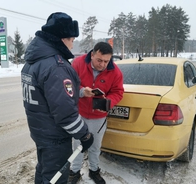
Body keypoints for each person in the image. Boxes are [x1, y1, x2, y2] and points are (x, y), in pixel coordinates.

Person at [21, 12, 94, 184]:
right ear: (62, 39)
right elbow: (64, 111)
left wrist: (81, 92)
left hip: (40, 132)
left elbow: (48, 95)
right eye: (71, 39)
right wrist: (84, 135)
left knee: (45, 171)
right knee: (56, 178)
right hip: (55, 137)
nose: (72, 43)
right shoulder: (55, 66)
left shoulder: (33, 61)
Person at [68, 42, 124, 184]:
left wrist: (108, 103)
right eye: (99, 60)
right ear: (92, 55)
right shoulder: (78, 63)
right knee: (77, 145)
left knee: (95, 146)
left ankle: (94, 170)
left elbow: (118, 92)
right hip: (79, 114)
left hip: (99, 117)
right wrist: (81, 91)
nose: (103, 64)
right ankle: (74, 172)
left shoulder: (115, 71)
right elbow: (69, 83)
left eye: (106, 61)